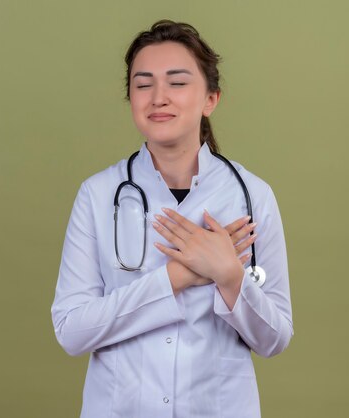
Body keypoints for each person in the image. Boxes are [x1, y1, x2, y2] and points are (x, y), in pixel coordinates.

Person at [51, 20, 293, 418]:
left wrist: (229, 277)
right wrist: (179, 277)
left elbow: (274, 339)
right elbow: (72, 332)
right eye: (143, 85)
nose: (158, 97)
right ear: (130, 97)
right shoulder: (98, 194)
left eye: (177, 83)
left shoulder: (252, 197)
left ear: (210, 98)